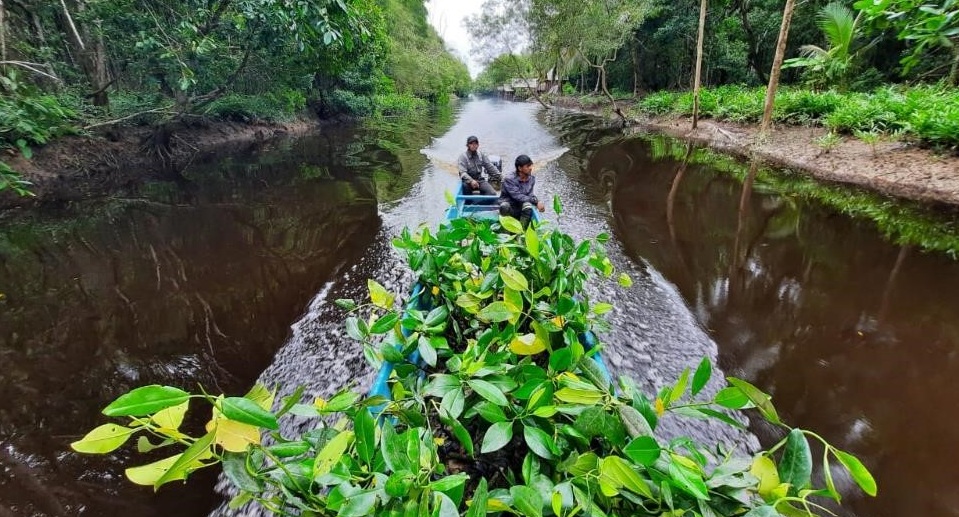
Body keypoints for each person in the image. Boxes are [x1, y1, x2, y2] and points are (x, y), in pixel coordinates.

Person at [499, 154, 545, 228]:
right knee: (504, 206)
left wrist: (538, 202)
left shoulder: (531, 179)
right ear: (520, 168)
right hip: (510, 207)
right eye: (528, 166)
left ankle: (521, 231)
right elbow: (518, 196)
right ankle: (505, 230)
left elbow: (530, 195)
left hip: (520, 207)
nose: (531, 168)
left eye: (531, 165)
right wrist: (536, 202)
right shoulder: (509, 179)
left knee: (528, 206)